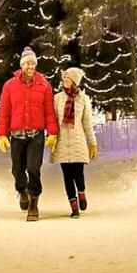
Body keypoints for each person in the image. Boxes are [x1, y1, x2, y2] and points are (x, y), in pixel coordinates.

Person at [0, 46, 58, 221]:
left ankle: (33, 203)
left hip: (36, 135)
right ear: (22, 65)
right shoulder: (10, 86)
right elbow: (4, 112)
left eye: (33, 63)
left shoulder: (44, 85)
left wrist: (52, 132)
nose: (30, 66)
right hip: (17, 135)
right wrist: (1, 134)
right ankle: (22, 190)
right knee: (17, 170)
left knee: (33, 168)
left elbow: (49, 112)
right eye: (27, 63)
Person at [50, 67, 97, 218]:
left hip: (78, 141)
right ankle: (74, 207)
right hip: (62, 142)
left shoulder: (83, 99)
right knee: (67, 176)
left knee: (78, 174)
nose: (64, 80)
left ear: (75, 81)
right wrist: (51, 136)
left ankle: (81, 192)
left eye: (68, 78)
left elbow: (87, 124)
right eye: (64, 77)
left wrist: (92, 143)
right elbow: (53, 121)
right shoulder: (57, 98)